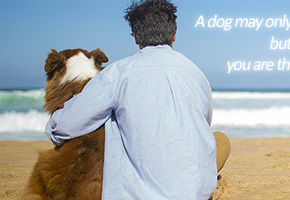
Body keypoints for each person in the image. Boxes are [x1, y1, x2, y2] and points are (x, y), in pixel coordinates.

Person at [44, 0, 230, 199]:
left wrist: (56, 119)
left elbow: (66, 126)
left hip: (139, 193)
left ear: (135, 37)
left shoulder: (117, 74)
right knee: (221, 140)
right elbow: (203, 123)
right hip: (194, 192)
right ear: (174, 34)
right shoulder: (197, 74)